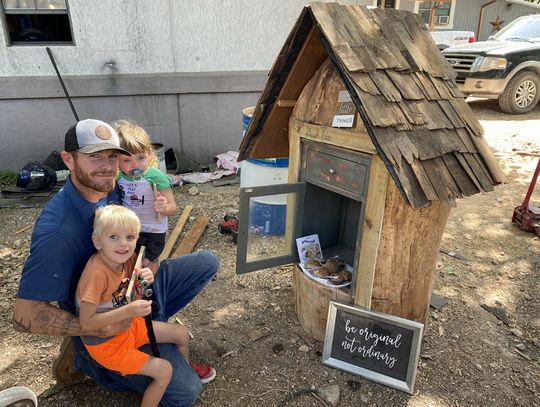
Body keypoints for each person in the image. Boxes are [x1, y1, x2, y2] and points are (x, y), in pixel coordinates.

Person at [12, 119, 219, 407]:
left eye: (111, 156)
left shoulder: (110, 186)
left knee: (207, 261)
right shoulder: (57, 231)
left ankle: (151, 331)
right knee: (185, 391)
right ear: (68, 159)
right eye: (94, 156)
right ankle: (87, 361)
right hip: (103, 327)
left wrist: (144, 263)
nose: (106, 165)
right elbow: (24, 314)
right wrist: (91, 328)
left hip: (129, 291)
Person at [78, 205, 210, 407]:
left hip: (129, 325)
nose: (123, 244)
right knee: (164, 370)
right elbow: (86, 322)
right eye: (114, 237)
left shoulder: (127, 259)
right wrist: (129, 311)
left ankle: (186, 370)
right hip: (107, 345)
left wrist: (144, 278)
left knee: (181, 334)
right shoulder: (96, 274)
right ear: (97, 241)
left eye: (130, 237)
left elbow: (130, 291)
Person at [113, 119, 176, 262]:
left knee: (146, 262)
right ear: (117, 161)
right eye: (126, 161)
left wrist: (164, 207)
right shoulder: (117, 178)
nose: (135, 165)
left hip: (153, 231)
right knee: (129, 261)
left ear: (149, 154)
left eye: (141, 158)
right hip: (129, 230)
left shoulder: (156, 176)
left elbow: (173, 208)